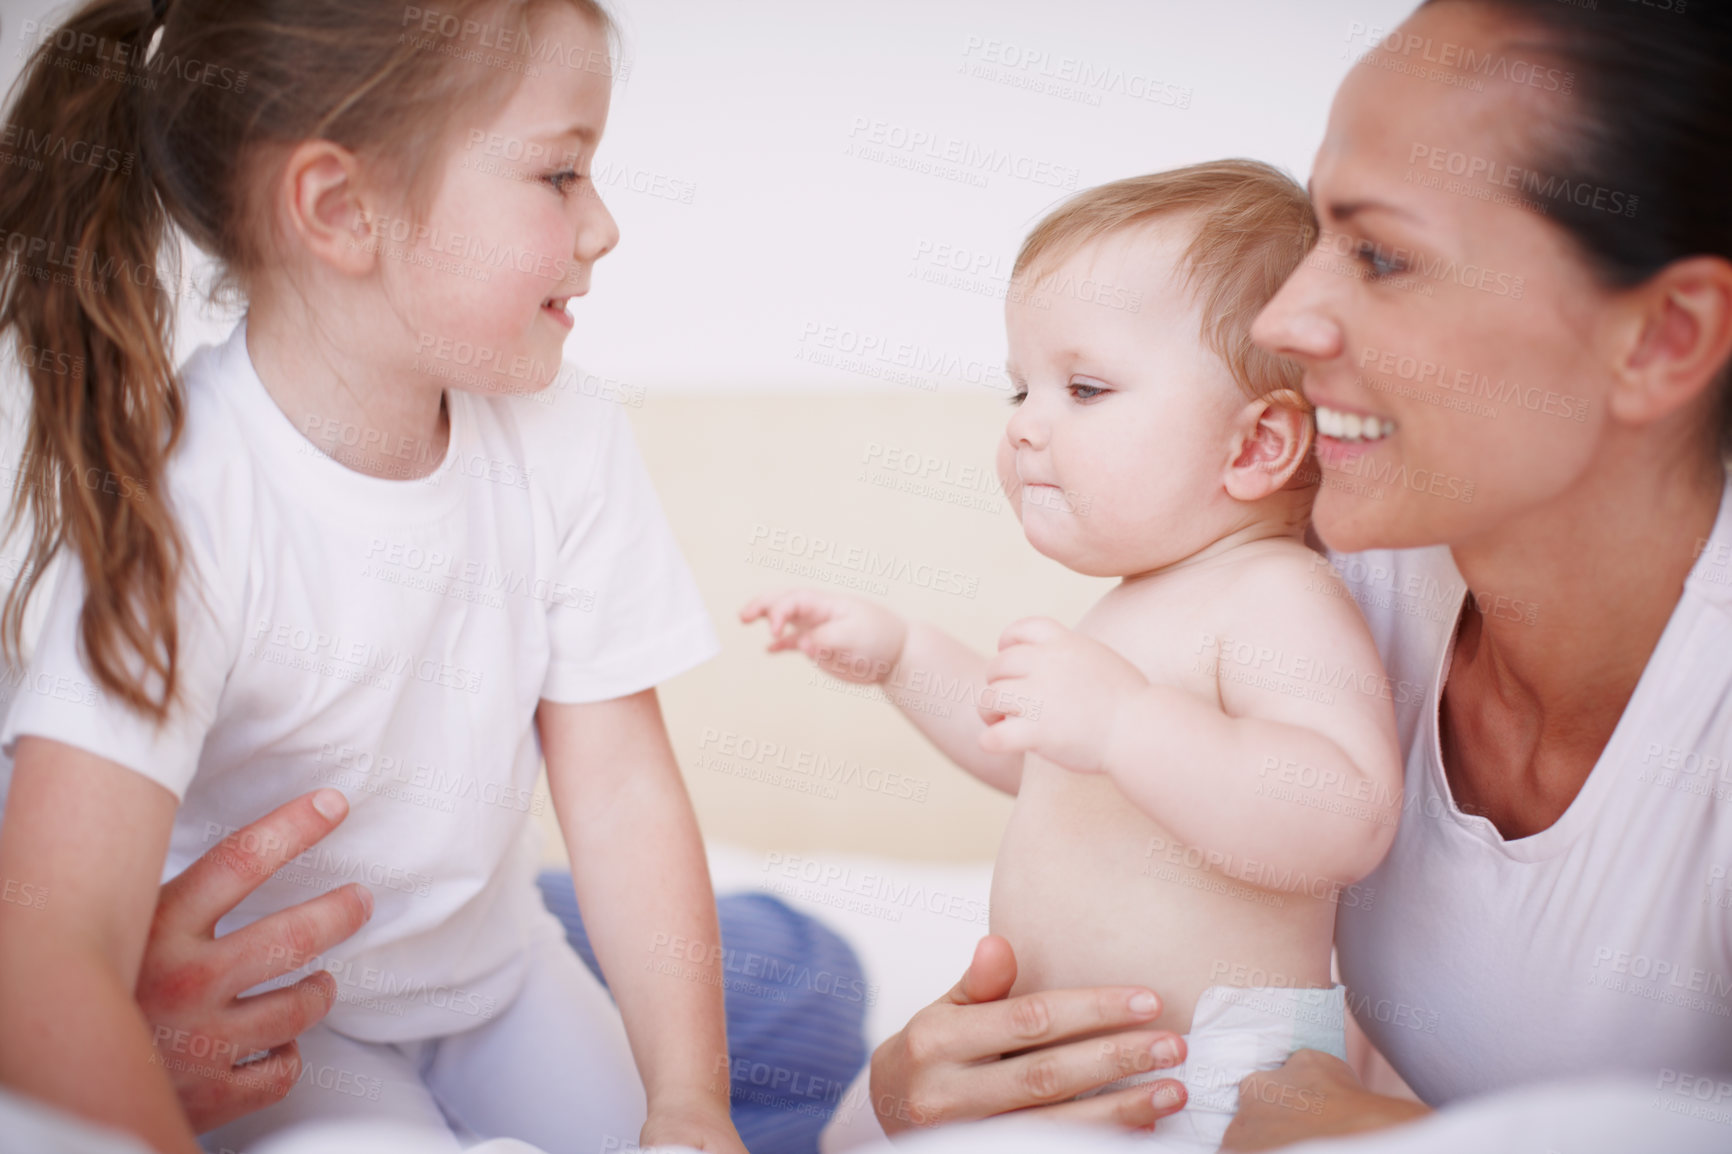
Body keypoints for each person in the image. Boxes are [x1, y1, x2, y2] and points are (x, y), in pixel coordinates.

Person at [863, 0, 1732, 1148]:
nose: (1283, 313)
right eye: (1315, 236)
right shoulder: (1320, 551)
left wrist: (1353, 1127)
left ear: (1663, 336)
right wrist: (911, 1085)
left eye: (1379, 254)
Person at [0, 2, 745, 1153]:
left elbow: (622, 793)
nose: (603, 227)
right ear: (343, 210)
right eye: (559, 174)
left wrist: (690, 1099)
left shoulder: (569, 434)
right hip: (286, 1020)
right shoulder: (187, 499)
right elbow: (48, 949)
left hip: (496, 975)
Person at [742, 161, 1404, 1151]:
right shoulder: (1139, 603)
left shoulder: (1277, 594)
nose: (1022, 424)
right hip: (1076, 1070)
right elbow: (1034, 756)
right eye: (1021, 386)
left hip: (1213, 1078)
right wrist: (904, 655)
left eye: (1083, 386)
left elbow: (1341, 815)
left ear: (1257, 445)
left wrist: (1125, 721)